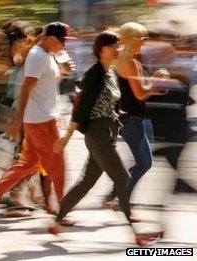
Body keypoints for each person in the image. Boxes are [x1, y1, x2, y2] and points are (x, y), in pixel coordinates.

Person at [49, 31, 163, 246]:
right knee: (123, 179)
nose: (117, 49)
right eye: (112, 46)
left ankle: (56, 222)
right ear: (100, 50)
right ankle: (136, 232)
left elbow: (112, 104)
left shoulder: (110, 72)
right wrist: (67, 136)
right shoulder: (95, 74)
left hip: (107, 134)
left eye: (118, 45)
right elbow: (81, 108)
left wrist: (116, 117)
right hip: (97, 134)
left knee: (87, 181)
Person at [0, 22, 73, 211]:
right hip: (41, 121)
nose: (64, 45)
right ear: (50, 39)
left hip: (42, 119)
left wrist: (63, 69)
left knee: (27, 163)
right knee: (58, 165)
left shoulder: (47, 55)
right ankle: (63, 209)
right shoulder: (38, 56)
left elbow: (46, 86)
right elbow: (26, 89)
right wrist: (18, 121)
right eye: (62, 41)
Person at [104, 22, 168, 207]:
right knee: (144, 163)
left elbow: (139, 89)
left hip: (136, 115)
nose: (145, 43)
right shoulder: (129, 62)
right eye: (142, 39)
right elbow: (140, 93)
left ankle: (114, 194)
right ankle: (121, 199)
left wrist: (156, 84)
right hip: (131, 118)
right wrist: (156, 81)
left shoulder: (128, 61)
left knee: (143, 161)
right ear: (132, 40)